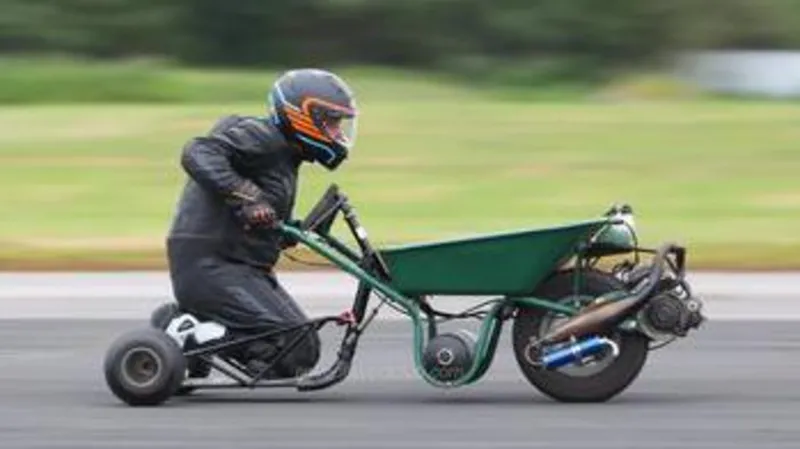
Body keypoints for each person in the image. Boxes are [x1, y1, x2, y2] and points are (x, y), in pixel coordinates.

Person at [165, 68, 359, 378]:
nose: (338, 133)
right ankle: (191, 333)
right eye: (332, 122)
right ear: (303, 116)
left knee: (300, 350)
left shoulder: (286, 154)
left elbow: (252, 218)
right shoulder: (264, 137)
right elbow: (198, 151)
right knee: (294, 349)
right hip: (212, 265)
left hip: (234, 264)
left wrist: (284, 229)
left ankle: (187, 323)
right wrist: (248, 197)